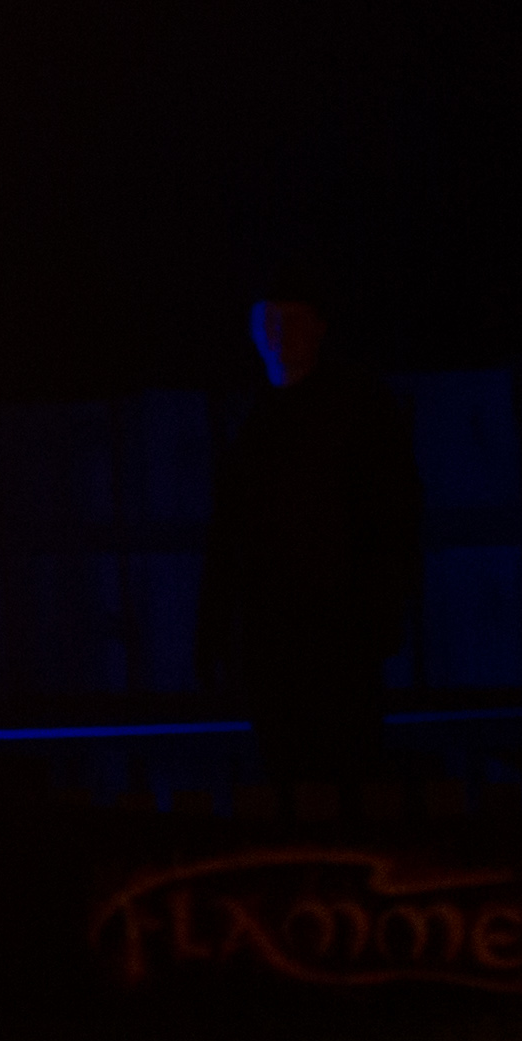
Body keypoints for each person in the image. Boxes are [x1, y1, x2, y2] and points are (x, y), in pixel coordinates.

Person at [198, 297, 422, 796]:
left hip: (339, 634)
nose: (279, 332)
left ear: (319, 326)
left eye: (292, 318)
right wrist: (214, 629)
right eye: (269, 319)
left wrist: (381, 611)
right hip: (271, 641)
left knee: (348, 771)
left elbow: (393, 515)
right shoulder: (249, 421)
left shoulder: (357, 411)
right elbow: (227, 533)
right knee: (286, 769)